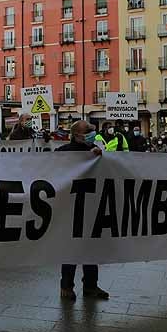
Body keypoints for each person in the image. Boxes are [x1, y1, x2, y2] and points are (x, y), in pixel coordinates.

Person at [58, 120, 110, 301]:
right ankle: (66, 286)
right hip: (70, 207)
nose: (91, 134)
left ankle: (90, 286)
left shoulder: (96, 151)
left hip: (91, 206)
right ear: (77, 134)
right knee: (70, 248)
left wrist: (100, 155)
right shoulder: (62, 153)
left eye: (92, 131)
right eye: (87, 131)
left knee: (91, 247)